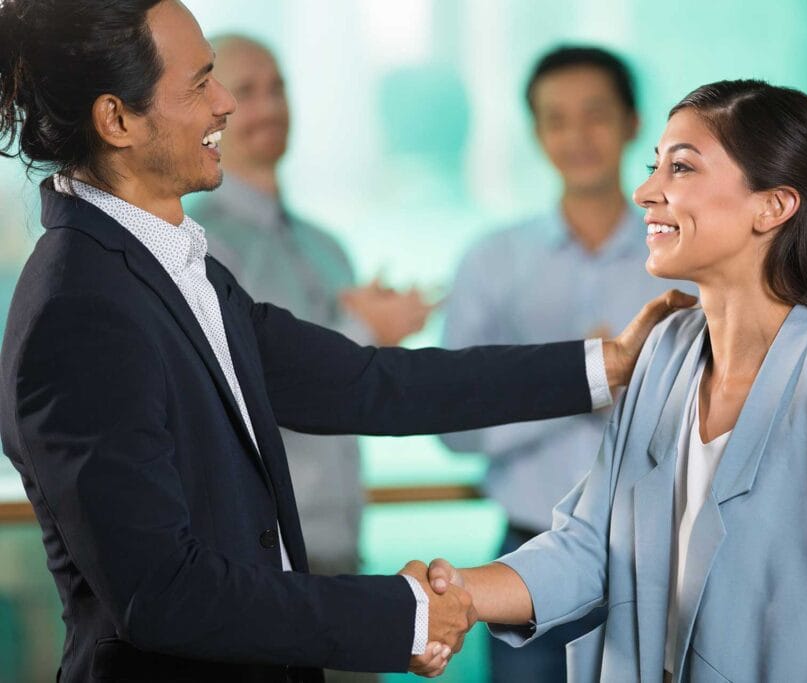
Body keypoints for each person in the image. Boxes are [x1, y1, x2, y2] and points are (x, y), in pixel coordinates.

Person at [0, 1, 689, 681]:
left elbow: (369, 384)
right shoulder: (80, 310)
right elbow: (165, 592)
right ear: (116, 119)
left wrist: (608, 363)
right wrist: (406, 614)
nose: (225, 105)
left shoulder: (175, 268)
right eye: (200, 82)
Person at [422, 80, 807, 682]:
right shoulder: (665, 352)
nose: (644, 192)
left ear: (773, 205)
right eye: (654, 165)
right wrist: (457, 594)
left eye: (681, 168)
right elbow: (592, 546)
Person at [440, 45, 694, 682]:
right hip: (526, 552)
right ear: (536, 133)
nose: (576, 136)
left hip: (665, 551)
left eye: (595, 114)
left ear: (636, 124)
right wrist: (575, 383)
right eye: (556, 119)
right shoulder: (492, 261)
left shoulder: (686, 254)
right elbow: (454, 428)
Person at [189, 34, 431, 580]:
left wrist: (368, 330)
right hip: (258, 560)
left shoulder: (327, 248)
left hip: (342, 549)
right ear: (211, 104)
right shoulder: (200, 245)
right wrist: (365, 326)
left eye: (278, 88)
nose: (270, 106)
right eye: (247, 90)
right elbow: (246, 385)